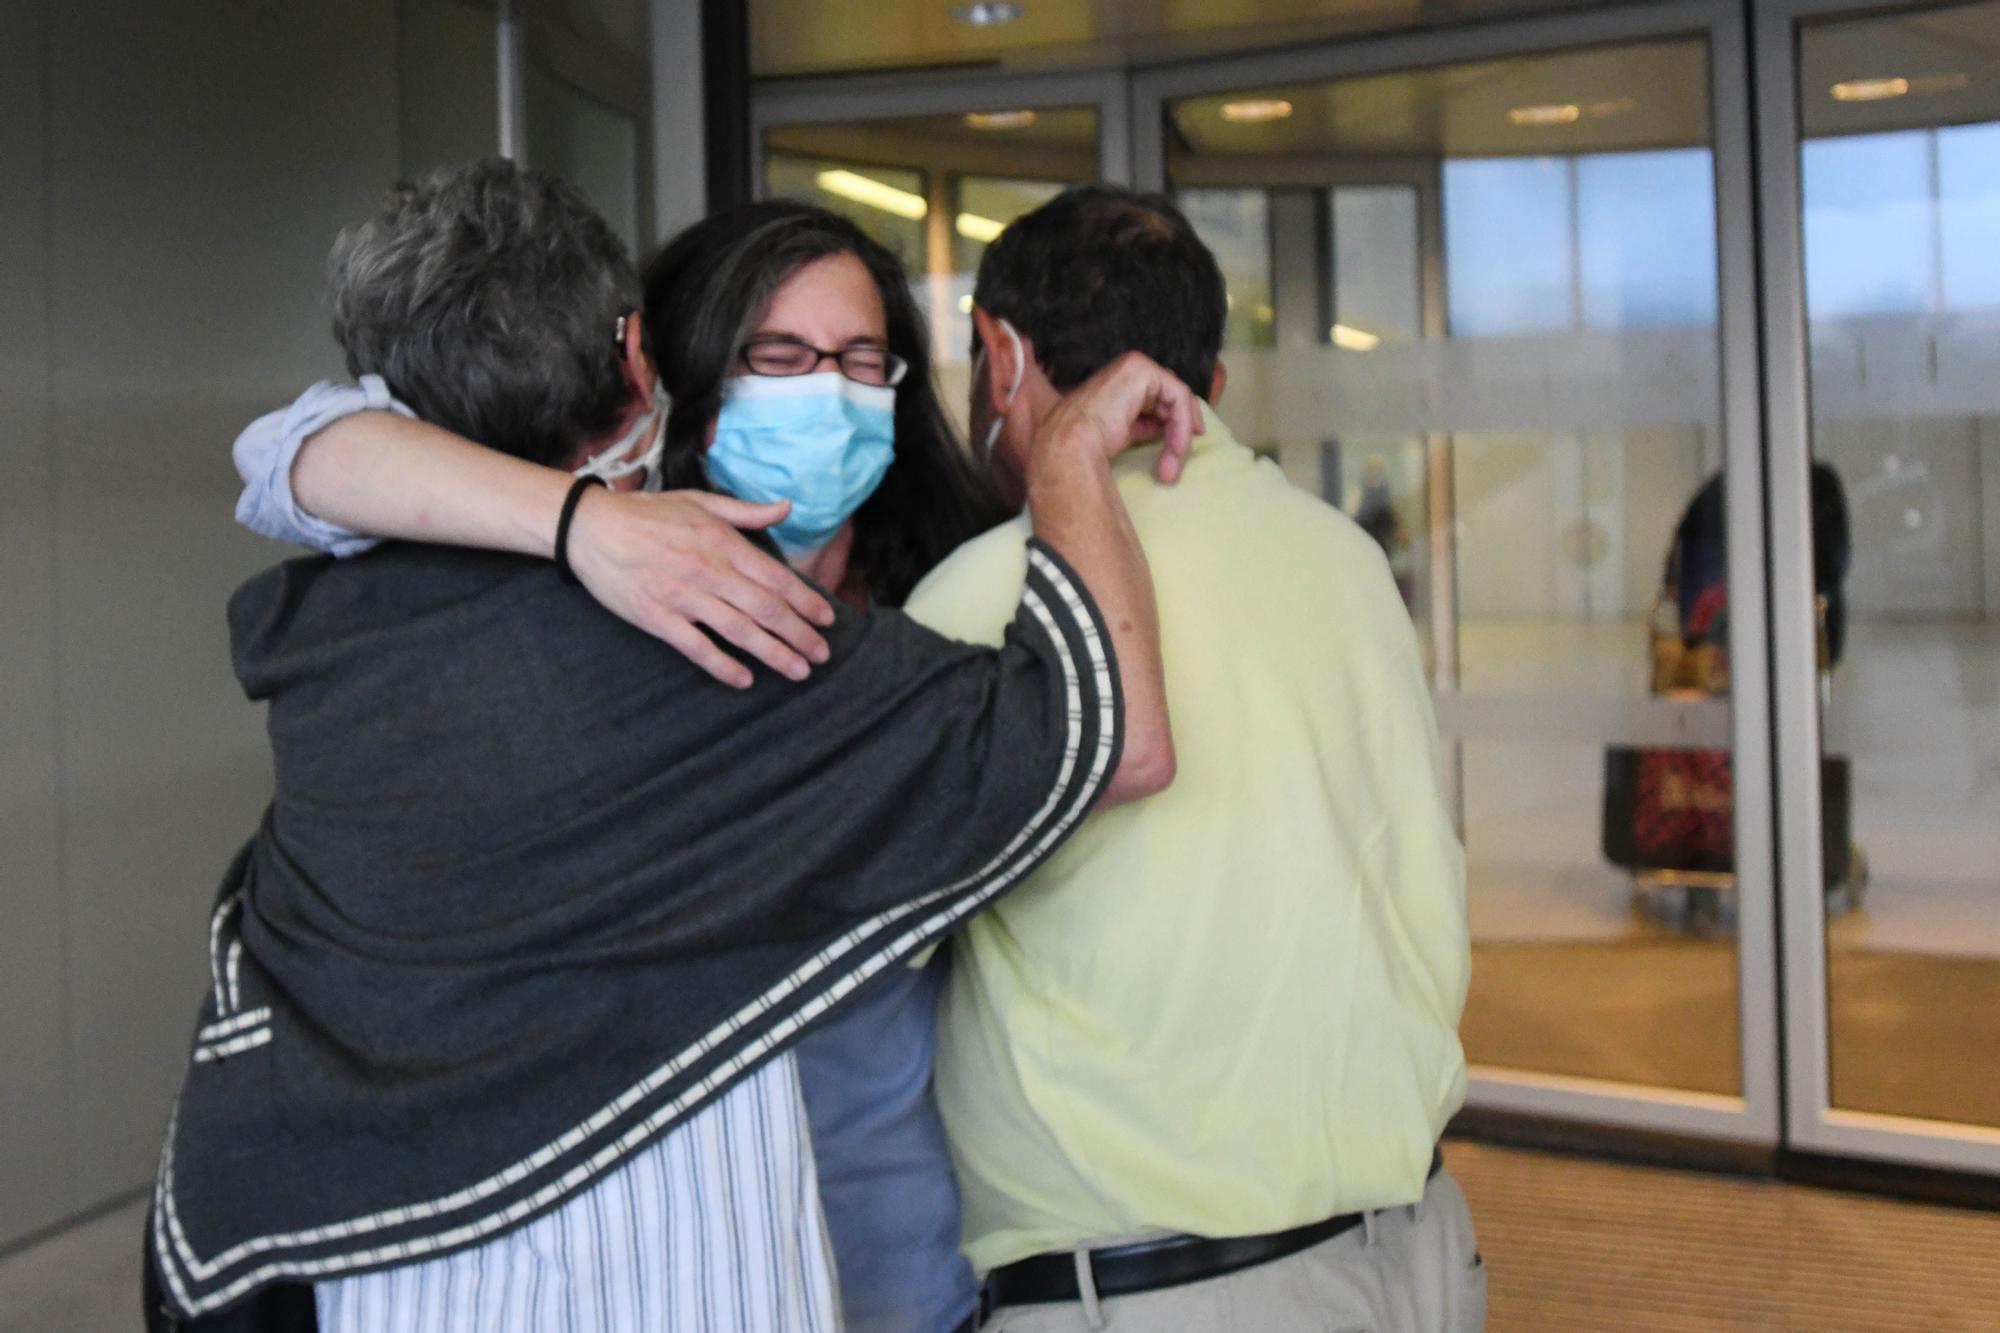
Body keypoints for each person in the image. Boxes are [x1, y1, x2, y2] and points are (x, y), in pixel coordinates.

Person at [148, 161, 1197, 1331]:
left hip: (421, 1265)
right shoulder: (760, 662)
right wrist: (1061, 457)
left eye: (861, 363)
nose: (828, 396)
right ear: (657, 364)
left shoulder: (340, 625)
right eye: (780, 358)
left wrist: (580, 523)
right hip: (690, 1264)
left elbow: (292, 455)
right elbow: (1104, 734)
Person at [916, 187, 1479, 1331]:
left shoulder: (982, 596)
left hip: (1165, 1289)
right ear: (1203, 386)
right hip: (1414, 1249)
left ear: (999, 355)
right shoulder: (1344, 558)